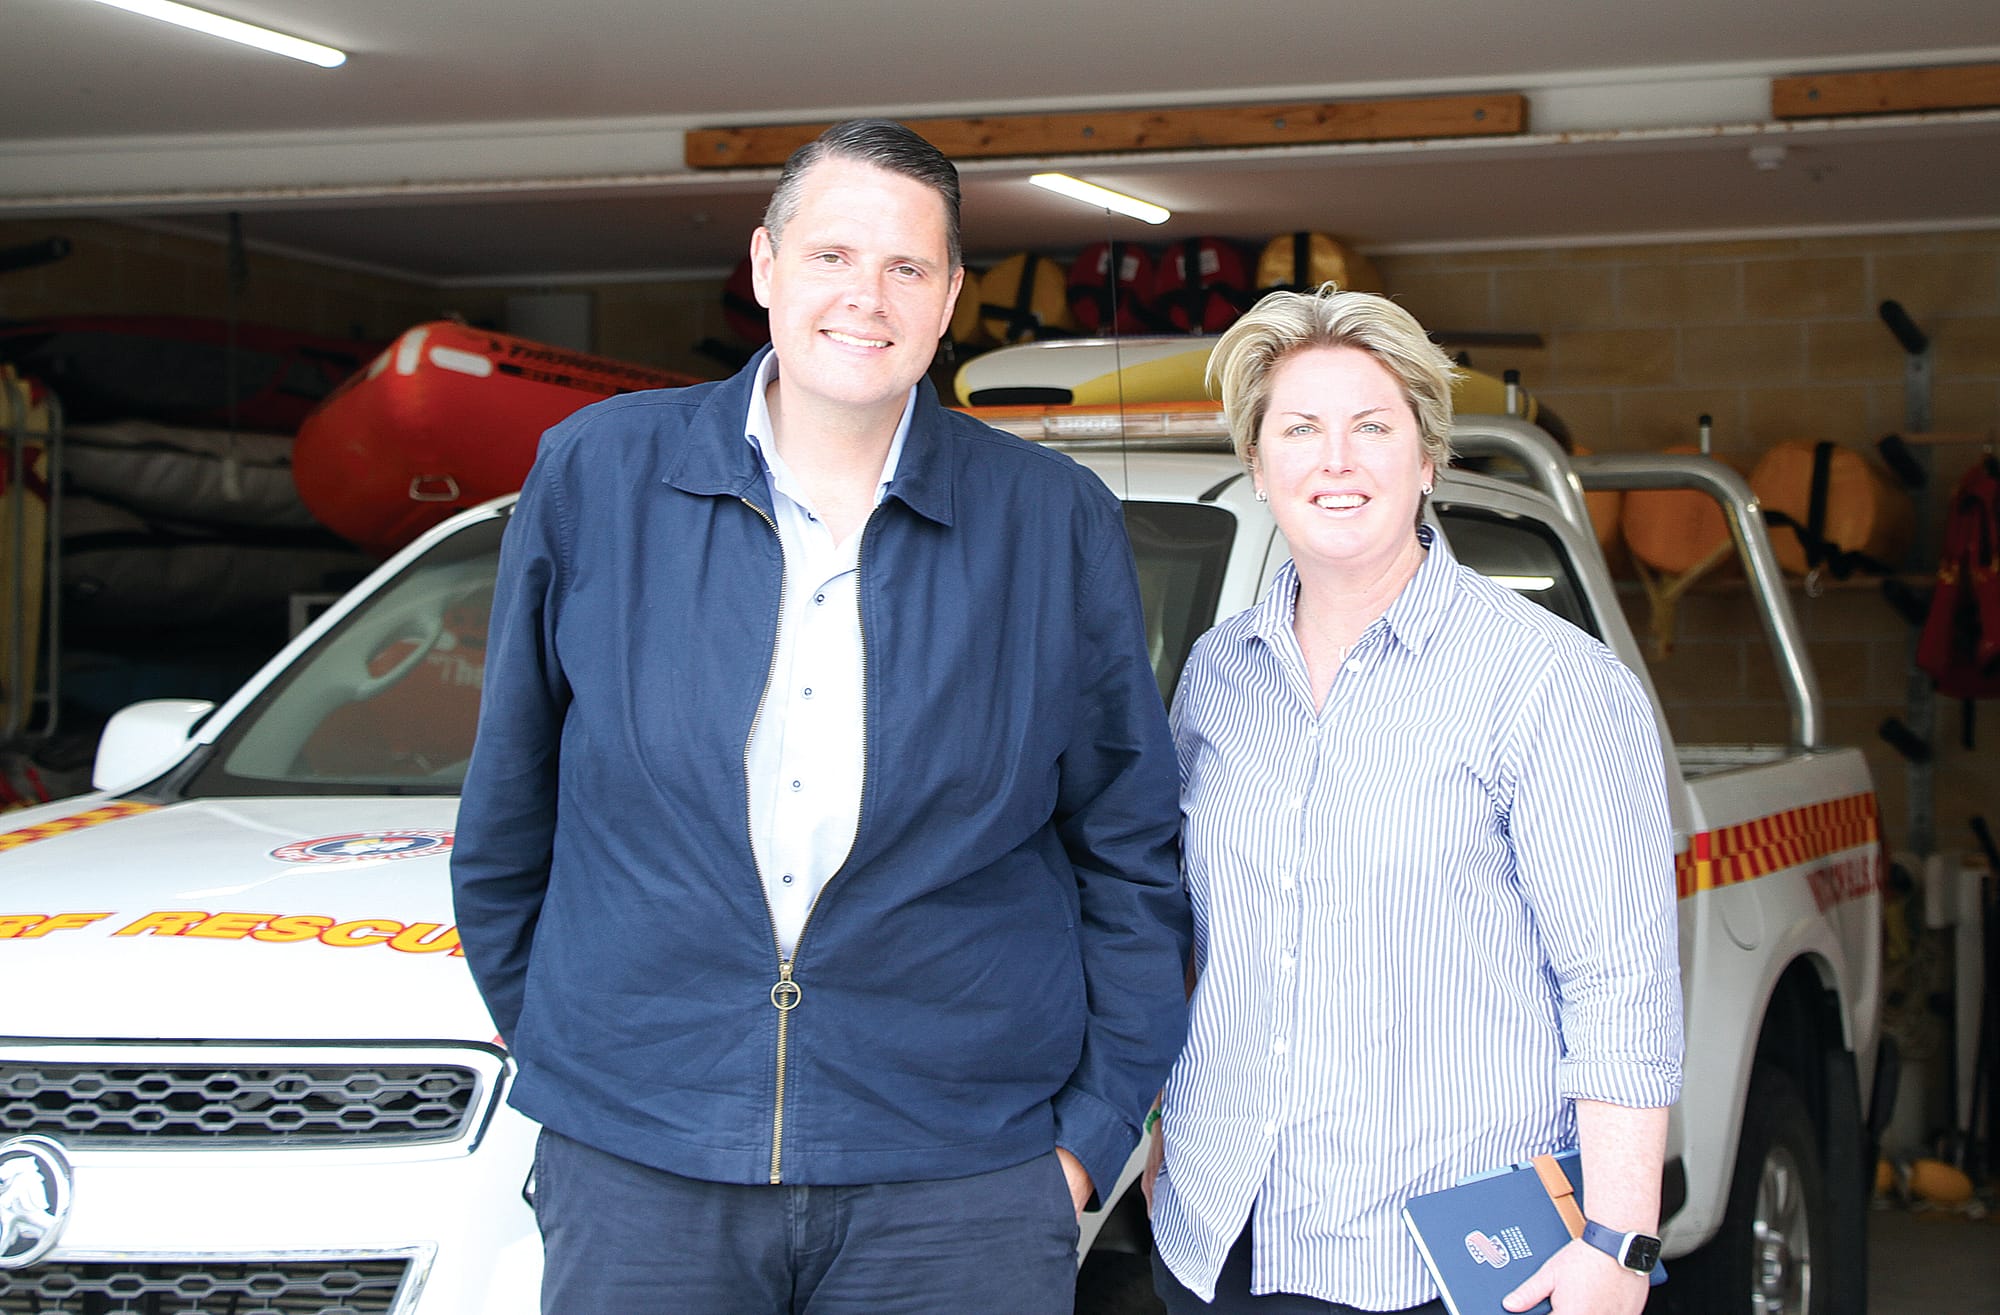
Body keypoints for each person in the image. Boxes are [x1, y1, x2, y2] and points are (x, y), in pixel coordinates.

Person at [451, 118, 1190, 1315]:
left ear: (950, 295)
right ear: (763, 266)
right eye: (832, 256)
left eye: (907, 267)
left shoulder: (1048, 520)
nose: (867, 296)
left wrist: (1085, 1138)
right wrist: (589, 1061)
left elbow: (1126, 844)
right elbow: (508, 806)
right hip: (642, 1166)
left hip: (959, 1180)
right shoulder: (597, 473)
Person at [1146, 286, 1682, 1315]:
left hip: (1447, 1260)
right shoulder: (1217, 674)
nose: (1333, 459)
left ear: (1425, 457)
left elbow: (1618, 984)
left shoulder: (1545, 682)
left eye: (1370, 427)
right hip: (1220, 1240)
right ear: (1258, 465)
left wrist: (1616, 1241)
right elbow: (1196, 938)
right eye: (1298, 429)